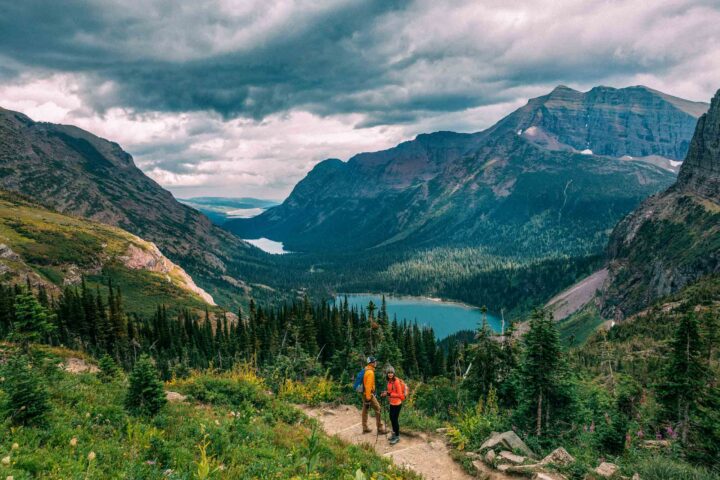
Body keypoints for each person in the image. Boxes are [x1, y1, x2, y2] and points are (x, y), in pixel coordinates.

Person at [360, 356, 386, 434]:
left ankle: (365, 427)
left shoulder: (366, 370)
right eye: (374, 361)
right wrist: (368, 398)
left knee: (365, 410)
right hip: (368, 394)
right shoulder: (370, 372)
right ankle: (380, 429)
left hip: (364, 393)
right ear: (371, 363)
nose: (376, 363)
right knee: (378, 408)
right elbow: (368, 386)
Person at [381, 365, 405, 445]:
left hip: (397, 403)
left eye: (391, 373)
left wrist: (388, 393)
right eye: (389, 373)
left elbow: (399, 394)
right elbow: (390, 391)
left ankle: (397, 436)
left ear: (394, 373)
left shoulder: (396, 381)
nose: (390, 374)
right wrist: (385, 393)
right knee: (391, 418)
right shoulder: (389, 381)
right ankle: (394, 434)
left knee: (395, 420)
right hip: (392, 403)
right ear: (387, 374)